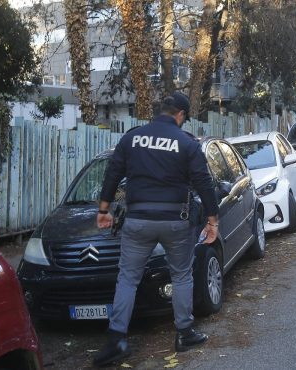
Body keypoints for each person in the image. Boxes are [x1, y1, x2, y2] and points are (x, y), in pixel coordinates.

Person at [93, 92, 219, 367]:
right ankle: (184, 333)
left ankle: (116, 340)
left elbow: (112, 173)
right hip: (176, 221)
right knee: (182, 276)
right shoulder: (186, 143)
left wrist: (103, 211)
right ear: (181, 115)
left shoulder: (132, 138)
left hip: (138, 220)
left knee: (127, 278)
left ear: (161, 110)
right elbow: (203, 182)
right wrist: (213, 221)